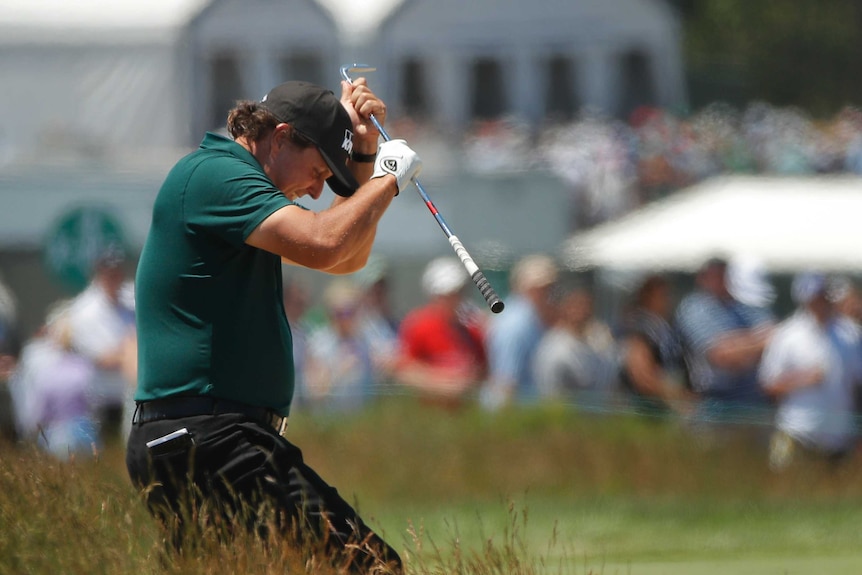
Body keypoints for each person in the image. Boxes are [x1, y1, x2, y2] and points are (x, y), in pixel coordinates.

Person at [126, 78, 420, 572]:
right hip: (211, 437)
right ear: (281, 137)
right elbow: (326, 242)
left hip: (200, 437)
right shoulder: (217, 174)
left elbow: (345, 259)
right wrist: (386, 181)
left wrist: (366, 153)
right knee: (369, 566)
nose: (316, 189)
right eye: (317, 170)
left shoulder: (230, 177)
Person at [758, 272, 862, 470]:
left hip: (839, 439)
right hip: (798, 434)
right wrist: (803, 379)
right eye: (814, 298)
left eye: (823, 297)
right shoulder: (787, 335)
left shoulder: (851, 335)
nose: (819, 303)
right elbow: (768, 384)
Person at [675, 255, 775, 424]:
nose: (722, 280)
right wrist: (757, 343)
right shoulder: (694, 308)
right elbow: (722, 356)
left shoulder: (745, 304)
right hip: (714, 405)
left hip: (754, 403)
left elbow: (775, 336)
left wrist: (738, 344)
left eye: (726, 274)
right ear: (702, 278)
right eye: (716, 275)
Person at [9, 301, 99, 460]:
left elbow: (37, 411)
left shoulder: (46, 368)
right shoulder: (85, 367)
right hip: (84, 432)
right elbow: (94, 403)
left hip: (56, 434)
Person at [393, 257, 487, 408]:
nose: (453, 299)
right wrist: (442, 385)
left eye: (457, 292)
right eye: (446, 294)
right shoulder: (418, 325)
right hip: (428, 414)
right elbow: (404, 370)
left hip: (464, 415)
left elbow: (483, 370)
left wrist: (469, 382)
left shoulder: (472, 329)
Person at [65, 247, 137, 443]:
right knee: (104, 452)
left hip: (131, 392)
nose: (114, 277)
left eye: (118, 271)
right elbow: (101, 359)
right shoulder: (84, 310)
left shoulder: (130, 300)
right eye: (109, 272)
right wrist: (131, 351)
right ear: (100, 273)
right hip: (102, 397)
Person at [480, 253, 559, 410]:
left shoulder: (527, 318)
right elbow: (506, 383)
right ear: (528, 288)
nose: (550, 294)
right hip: (513, 413)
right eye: (544, 288)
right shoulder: (517, 324)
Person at [617, 275, 696, 418]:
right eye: (662, 295)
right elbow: (641, 374)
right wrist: (677, 397)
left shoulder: (667, 327)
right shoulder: (639, 327)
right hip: (644, 410)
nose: (668, 300)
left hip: (668, 408)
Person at [532, 286, 617, 407]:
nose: (583, 310)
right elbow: (552, 398)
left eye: (587, 305)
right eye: (576, 305)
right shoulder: (554, 349)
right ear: (564, 308)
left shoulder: (595, 340)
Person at [303, 279, 376, 412]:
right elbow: (314, 393)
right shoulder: (319, 344)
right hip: (331, 422)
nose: (345, 319)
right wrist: (338, 371)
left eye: (349, 312)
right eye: (339, 313)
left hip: (363, 420)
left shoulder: (366, 340)